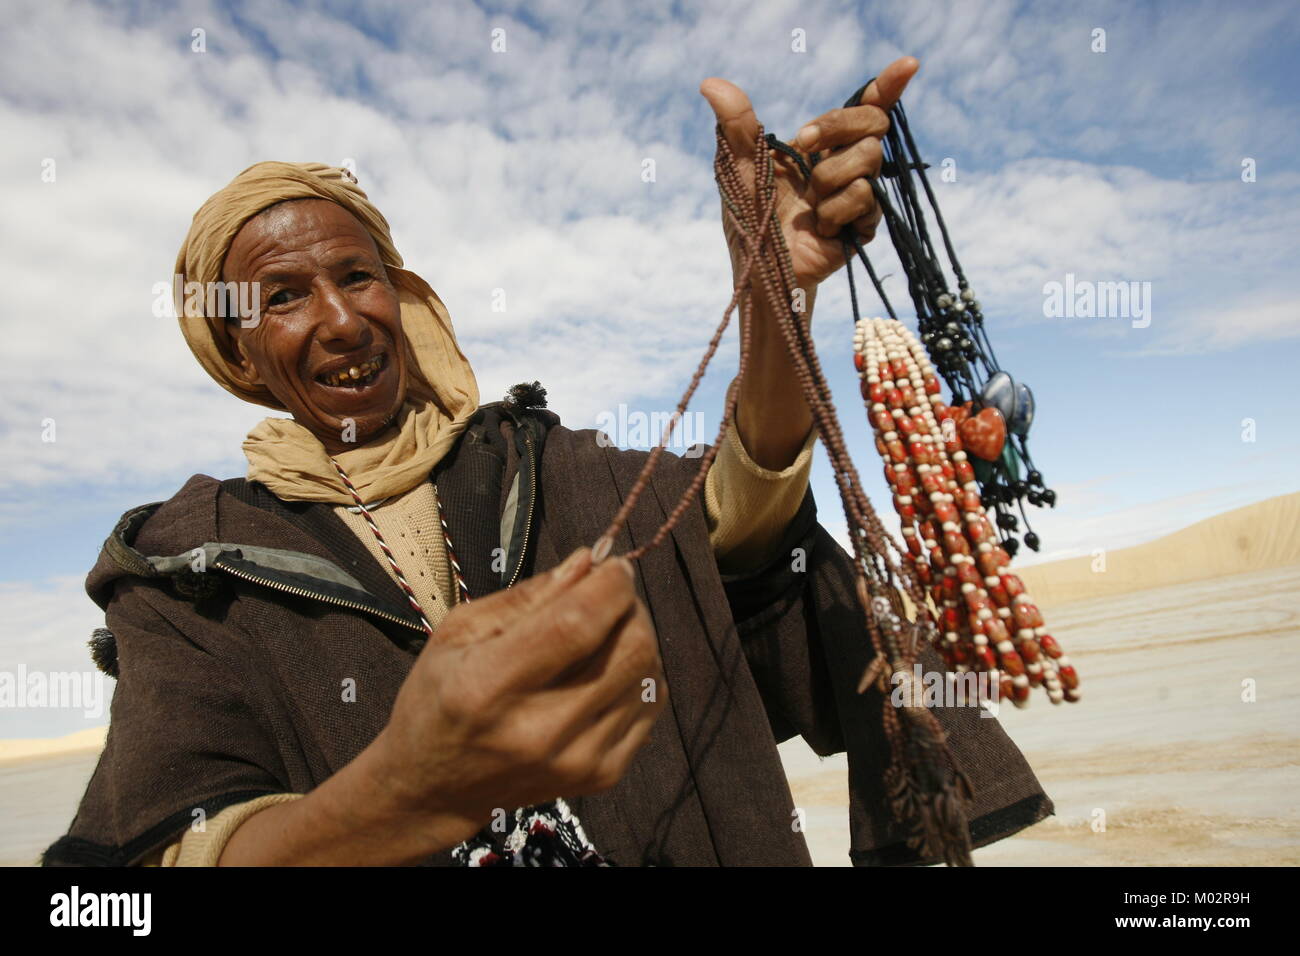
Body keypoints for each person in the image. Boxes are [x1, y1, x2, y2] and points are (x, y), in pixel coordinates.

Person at [44, 59, 1052, 866]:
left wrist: (771, 289)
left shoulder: (542, 463)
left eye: (358, 276)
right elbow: (172, 851)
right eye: (284, 296)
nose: (342, 318)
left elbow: (741, 519)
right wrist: (401, 791)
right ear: (237, 353)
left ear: (405, 294)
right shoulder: (193, 570)